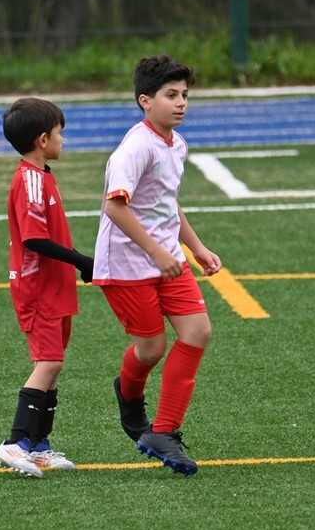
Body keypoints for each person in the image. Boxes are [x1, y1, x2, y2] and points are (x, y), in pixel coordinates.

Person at [92, 55, 222, 476]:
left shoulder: (176, 144)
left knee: (198, 331)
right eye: (171, 95)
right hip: (127, 265)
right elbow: (115, 207)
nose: (181, 102)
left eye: (184, 94)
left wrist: (196, 247)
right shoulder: (135, 148)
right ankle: (129, 395)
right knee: (151, 349)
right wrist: (156, 252)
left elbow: (166, 203)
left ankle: (163, 431)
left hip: (166, 259)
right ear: (145, 101)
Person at [0, 97, 94, 478]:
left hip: (55, 287)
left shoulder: (43, 176)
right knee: (48, 363)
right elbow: (34, 239)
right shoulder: (30, 180)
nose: (63, 139)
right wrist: (81, 260)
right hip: (38, 289)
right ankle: (15, 442)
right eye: (59, 133)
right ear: (42, 139)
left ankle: (38, 446)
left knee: (53, 365)